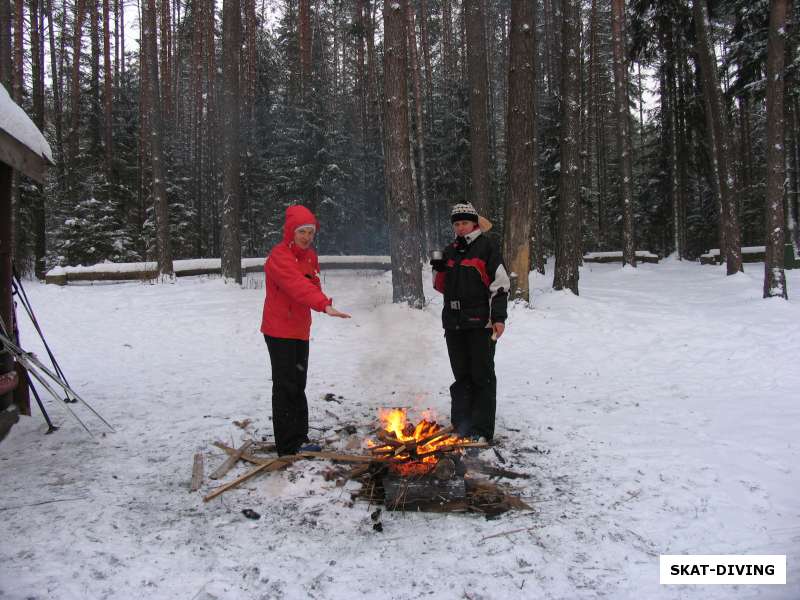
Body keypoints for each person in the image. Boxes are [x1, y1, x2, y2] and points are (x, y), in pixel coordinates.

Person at [260, 205, 350, 456]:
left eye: (311, 232)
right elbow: (297, 286)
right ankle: (288, 446)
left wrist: (323, 301)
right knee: (286, 385)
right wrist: (324, 305)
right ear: (291, 231)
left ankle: (299, 437)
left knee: (298, 384)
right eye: (302, 232)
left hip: (299, 329)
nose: (307, 237)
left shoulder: (310, 256)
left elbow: (312, 284)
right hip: (279, 331)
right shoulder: (279, 257)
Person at [431, 202, 509, 442]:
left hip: (479, 323)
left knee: (481, 376)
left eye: (464, 223)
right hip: (453, 323)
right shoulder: (450, 250)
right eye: (456, 224)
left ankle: (481, 431)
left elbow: (500, 285)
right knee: (461, 376)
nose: (460, 228)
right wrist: (439, 269)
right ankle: (462, 425)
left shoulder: (487, 248)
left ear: (474, 223)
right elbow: (439, 287)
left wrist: (498, 318)